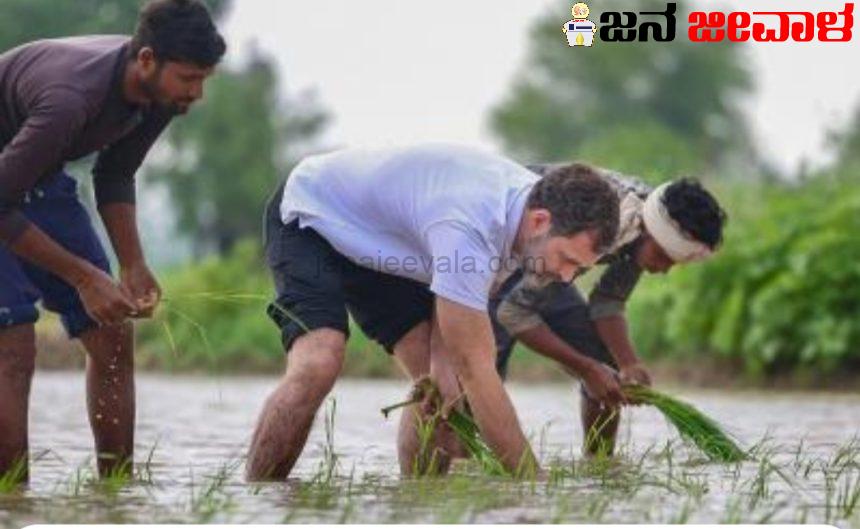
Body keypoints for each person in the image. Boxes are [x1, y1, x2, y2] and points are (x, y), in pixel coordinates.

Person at [246, 143, 621, 480]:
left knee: (443, 391)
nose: (567, 277)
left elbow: (458, 330)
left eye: (580, 268)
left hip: (392, 249)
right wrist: (533, 485)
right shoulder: (472, 224)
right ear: (540, 221)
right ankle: (259, 498)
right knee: (320, 360)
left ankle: (421, 507)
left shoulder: (526, 221)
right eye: (567, 260)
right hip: (312, 216)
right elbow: (478, 368)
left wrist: (443, 369)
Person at [0, 0, 225, 481]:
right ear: (146, 59)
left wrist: (132, 264)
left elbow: (117, 173)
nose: (196, 93)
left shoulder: (162, 97)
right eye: (189, 78)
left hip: (34, 176)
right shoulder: (68, 98)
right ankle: (12, 501)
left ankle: (117, 495)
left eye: (204, 79)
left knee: (112, 335)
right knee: (12, 343)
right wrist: (83, 277)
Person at [490, 163, 727, 457]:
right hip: (507, 249)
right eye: (663, 258)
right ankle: (463, 464)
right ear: (650, 234)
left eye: (672, 263)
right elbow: (514, 312)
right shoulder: (610, 225)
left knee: (605, 363)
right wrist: (586, 369)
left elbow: (607, 301)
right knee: (480, 371)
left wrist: (628, 363)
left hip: (552, 266)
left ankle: (599, 464)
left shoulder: (646, 228)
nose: (664, 270)